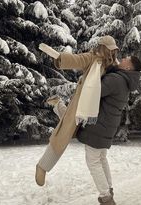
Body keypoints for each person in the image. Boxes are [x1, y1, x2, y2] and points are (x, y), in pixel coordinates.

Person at [46, 56, 141, 205]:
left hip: (100, 126)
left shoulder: (116, 79)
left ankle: (107, 203)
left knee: (93, 161)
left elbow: (92, 91)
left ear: (128, 68)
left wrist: (89, 74)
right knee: (101, 158)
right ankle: (108, 196)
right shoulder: (123, 80)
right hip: (106, 125)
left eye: (126, 59)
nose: (123, 58)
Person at [35, 36, 118, 185]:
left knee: (98, 152)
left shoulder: (113, 67)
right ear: (103, 49)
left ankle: (57, 103)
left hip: (97, 112)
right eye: (109, 50)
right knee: (64, 133)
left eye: (113, 51)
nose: (111, 54)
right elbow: (77, 59)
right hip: (82, 104)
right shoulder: (93, 58)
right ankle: (42, 166)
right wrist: (59, 56)